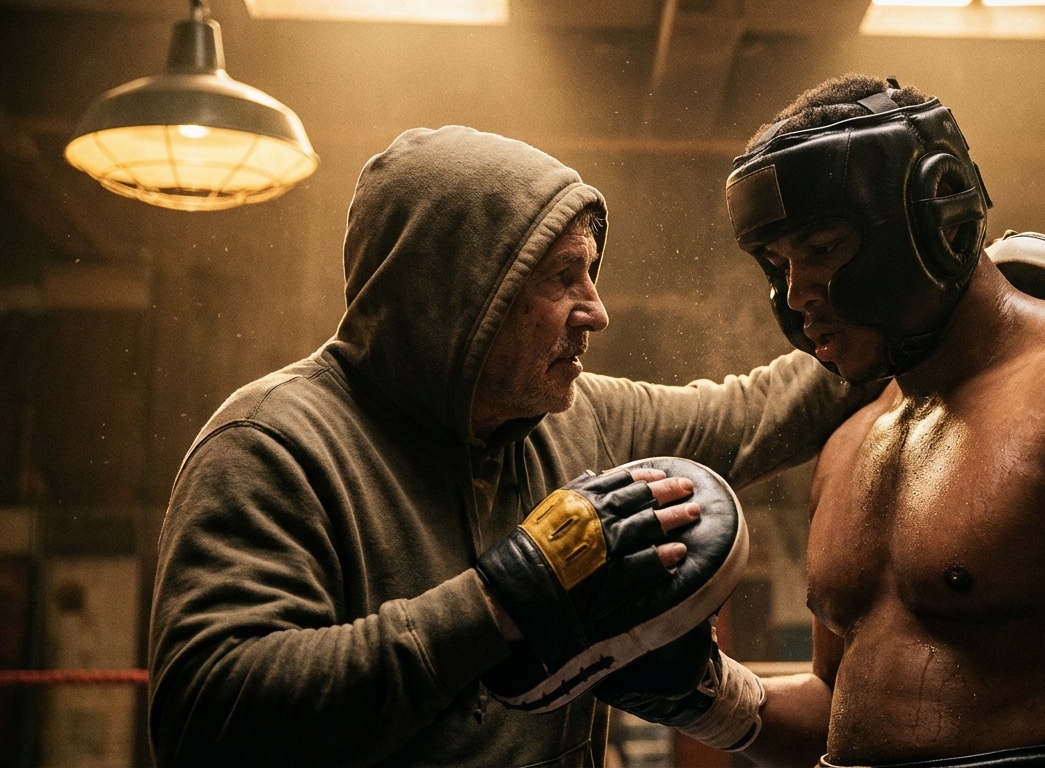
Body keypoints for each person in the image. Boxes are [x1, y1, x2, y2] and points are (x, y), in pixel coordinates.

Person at [599, 75, 1045, 767]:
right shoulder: (851, 442)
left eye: (823, 248)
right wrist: (701, 693)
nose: (797, 292)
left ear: (938, 217)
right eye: (777, 264)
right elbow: (842, 711)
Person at [145, 125, 879, 767]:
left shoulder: (577, 418)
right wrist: (498, 601)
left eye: (590, 273)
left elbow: (760, 412)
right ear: (463, 291)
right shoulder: (273, 447)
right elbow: (209, 717)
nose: (596, 311)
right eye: (563, 277)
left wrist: (938, 278)